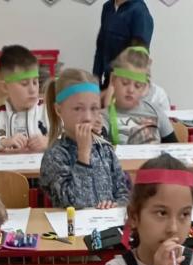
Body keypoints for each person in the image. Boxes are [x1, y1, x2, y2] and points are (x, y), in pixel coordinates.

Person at [39, 68, 130, 209]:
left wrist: (115, 205)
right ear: (59, 110)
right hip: (72, 223)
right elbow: (71, 203)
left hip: (107, 222)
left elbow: (123, 194)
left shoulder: (105, 150)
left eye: (94, 108)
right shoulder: (55, 156)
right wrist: (83, 155)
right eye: (78, 109)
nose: (87, 117)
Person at [101, 49, 175, 146]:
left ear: (144, 87)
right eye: (125, 83)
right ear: (113, 80)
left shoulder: (155, 112)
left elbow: (174, 148)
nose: (131, 90)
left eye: (137, 85)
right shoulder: (104, 116)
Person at [93, 0, 153, 89]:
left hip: (126, 83)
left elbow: (139, 57)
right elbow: (100, 48)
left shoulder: (140, 12)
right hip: (108, 80)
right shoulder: (107, 7)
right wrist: (95, 81)